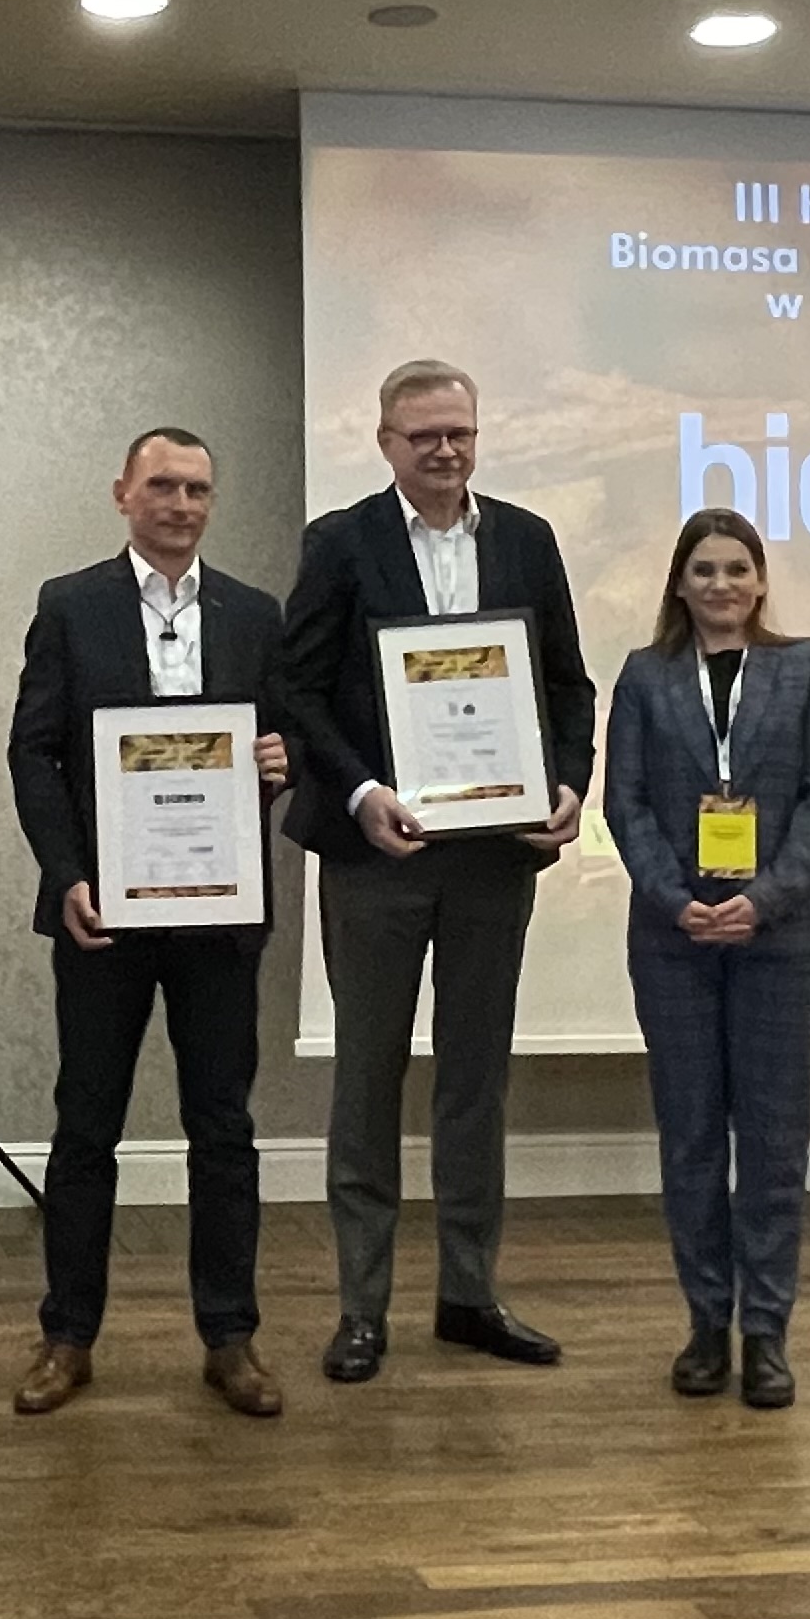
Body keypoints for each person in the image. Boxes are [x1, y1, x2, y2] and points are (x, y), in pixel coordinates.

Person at [274, 358, 594, 1385]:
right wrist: (363, 792)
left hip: (495, 859)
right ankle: (361, 1307)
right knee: (368, 1075)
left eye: (459, 432)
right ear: (386, 443)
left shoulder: (527, 540)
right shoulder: (341, 542)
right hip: (380, 854)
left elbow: (568, 687)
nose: (445, 450)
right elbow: (296, 688)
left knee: (474, 1079)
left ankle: (468, 1293)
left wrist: (566, 785)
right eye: (424, 436)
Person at [5, 428, 294, 1420]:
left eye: (198, 490)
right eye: (163, 486)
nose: (180, 505)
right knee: (87, 1126)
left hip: (218, 915)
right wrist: (66, 875)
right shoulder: (69, 604)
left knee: (224, 1129)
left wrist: (281, 761)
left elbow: (282, 736)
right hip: (103, 916)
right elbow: (33, 751)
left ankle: (231, 1338)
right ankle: (67, 1336)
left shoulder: (254, 613)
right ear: (122, 493)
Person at [603, 508, 810, 1411]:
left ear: (760, 581)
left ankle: (766, 1333)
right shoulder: (644, 676)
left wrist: (765, 898)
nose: (720, 584)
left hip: (782, 940)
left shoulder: (805, 668)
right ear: (679, 583)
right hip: (672, 941)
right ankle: (707, 1325)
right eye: (703, 570)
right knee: (692, 1139)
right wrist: (676, 900)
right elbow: (624, 803)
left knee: (774, 1143)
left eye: (736, 569)